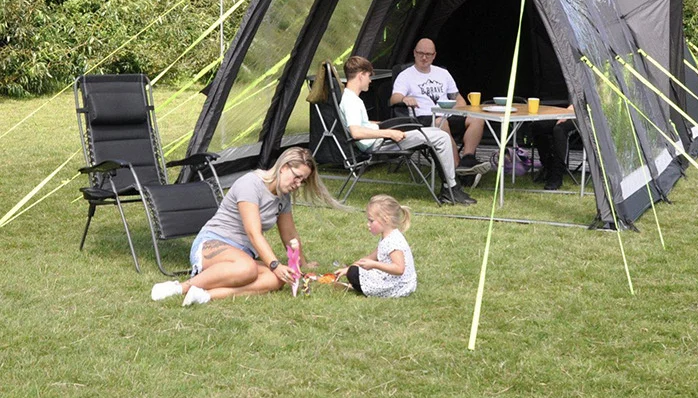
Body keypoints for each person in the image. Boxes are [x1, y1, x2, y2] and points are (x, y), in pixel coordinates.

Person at [150, 147, 338, 306]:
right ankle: (181, 287)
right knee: (248, 268)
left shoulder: (283, 196)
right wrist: (274, 264)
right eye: (297, 177)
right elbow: (253, 232)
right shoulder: (251, 183)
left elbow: (289, 233)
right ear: (283, 167)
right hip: (213, 243)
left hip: (241, 255)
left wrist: (301, 264)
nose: (298, 184)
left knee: (278, 279)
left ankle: (206, 296)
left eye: (302, 181)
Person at [341, 55, 477, 205]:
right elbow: (356, 132)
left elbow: (362, 125)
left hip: (381, 139)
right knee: (441, 137)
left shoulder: (351, 98)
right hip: (380, 144)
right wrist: (389, 132)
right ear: (360, 76)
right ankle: (451, 188)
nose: (370, 80)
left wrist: (381, 124)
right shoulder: (351, 101)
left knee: (438, 134)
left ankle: (450, 187)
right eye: (368, 76)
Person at [390, 37, 491, 186]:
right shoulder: (405, 75)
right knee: (440, 123)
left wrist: (460, 109)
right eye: (420, 53)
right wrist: (404, 98)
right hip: (424, 118)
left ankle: (468, 159)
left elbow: (458, 98)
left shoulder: (443, 73)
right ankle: (457, 167)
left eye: (428, 54)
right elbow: (394, 98)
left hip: (448, 115)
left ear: (434, 55)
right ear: (414, 53)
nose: (424, 57)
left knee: (477, 118)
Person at [335, 194, 417, 297]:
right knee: (353, 271)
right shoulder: (387, 236)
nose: (368, 224)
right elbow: (371, 257)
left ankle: (355, 287)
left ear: (386, 219)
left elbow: (399, 269)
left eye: (371, 221)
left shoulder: (394, 241)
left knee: (354, 273)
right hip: (392, 279)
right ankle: (355, 285)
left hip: (398, 285)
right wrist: (348, 268)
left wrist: (374, 265)